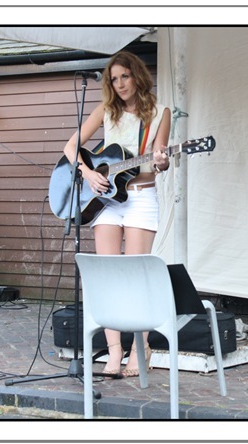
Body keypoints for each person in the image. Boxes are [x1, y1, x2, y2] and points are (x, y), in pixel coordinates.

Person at [63, 51, 171, 377]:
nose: (120, 84)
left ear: (137, 76)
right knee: (106, 276)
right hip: (107, 201)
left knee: (137, 277)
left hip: (140, 197)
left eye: (125, 76)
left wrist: (163, 161)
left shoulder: (158, 112)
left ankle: (141, 348)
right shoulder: (105, 111)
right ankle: (114, 351)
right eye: (114, 78)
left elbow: (159, 158)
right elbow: (70, 147)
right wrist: (86, 172)